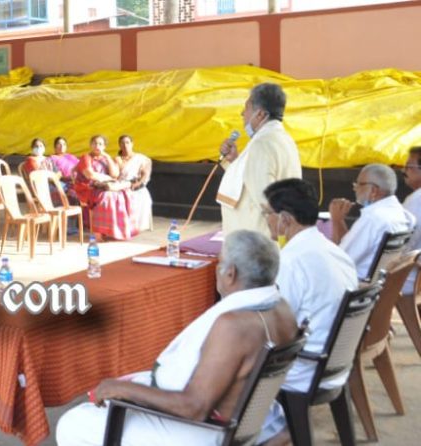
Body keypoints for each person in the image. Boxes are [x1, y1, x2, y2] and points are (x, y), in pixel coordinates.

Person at [56, 230, 299, 445]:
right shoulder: (283, 310)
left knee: (74, 423)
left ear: (230, 274)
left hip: (207, 432)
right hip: (249, 422)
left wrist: (122, 389)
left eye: (220, 263)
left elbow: (194, 407)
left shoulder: (234, 326)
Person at [257, 178, 359, 444]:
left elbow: (276, 328)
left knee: (228, 365)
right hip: (336, 363)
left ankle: (273, 433)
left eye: (267, 213)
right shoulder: (334, 251)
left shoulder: (292, 261)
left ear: (285, 219)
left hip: (304, 369)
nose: (266, 220)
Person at [216, 83, 302, 237]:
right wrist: (234, 160)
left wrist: (274, 220)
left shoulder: (261, 143)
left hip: (257, 236)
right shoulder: (283, 138)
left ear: (260, 114)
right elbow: (252, 176)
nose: (243, 113)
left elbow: (264, 193)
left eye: (247, 108)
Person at [330, 163, 415, 280]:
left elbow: (339, 260)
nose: (355, 188)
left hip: (357, 286)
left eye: (359, 184)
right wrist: (339, 220)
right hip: (382, 285)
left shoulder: (373, 218)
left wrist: (335, 220)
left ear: (373, 190)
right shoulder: (404, 215)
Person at [72, 135, 137, 241]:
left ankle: (116, 231)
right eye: (95, 143)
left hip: (102, 187)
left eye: (100, 144)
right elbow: (90, 175)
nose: (97, 146)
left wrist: (107, 157)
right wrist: (109, 178)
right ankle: (98, 233)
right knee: (107, 196)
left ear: (104, 146)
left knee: (125, 193)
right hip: (87, 188)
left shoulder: (105, 158)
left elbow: (115, 174)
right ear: (90, 145)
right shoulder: (86, 157)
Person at [116, 135, 154, 231]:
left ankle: (136, 226)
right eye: (122, 143)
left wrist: (138, 183)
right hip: (120, 186)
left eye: (127, 142)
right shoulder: (117, 159)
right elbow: (115, 175)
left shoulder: (140, 158)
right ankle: (122, 226)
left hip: (136, 186)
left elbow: (145, 174)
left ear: (132, 144)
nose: (125, 145)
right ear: (119, 145)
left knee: (141, 197)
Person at [401, 146, 421, 294]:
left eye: (409, 166)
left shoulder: (416, 199)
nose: (404, 171)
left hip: (411, 277)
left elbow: (405, 242)